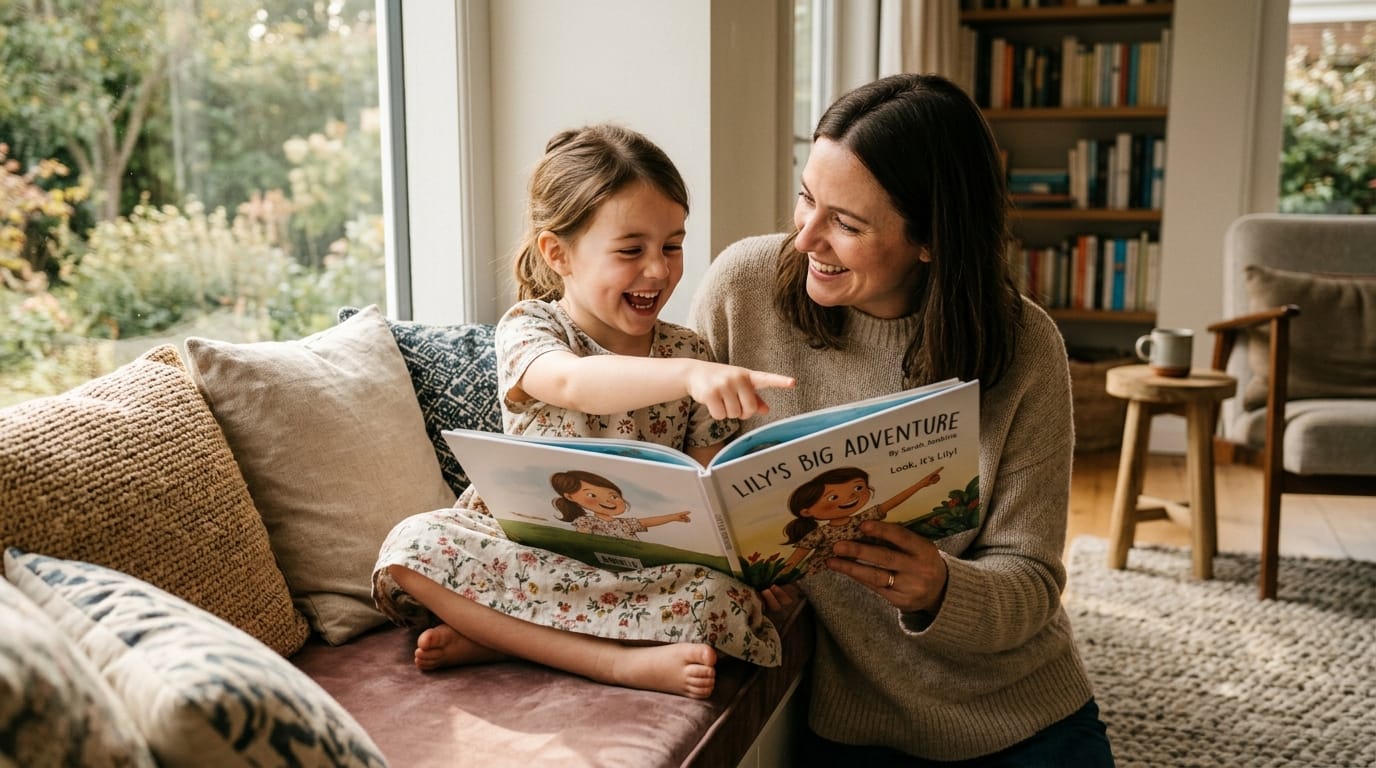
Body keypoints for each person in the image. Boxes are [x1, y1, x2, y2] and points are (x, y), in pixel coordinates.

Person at [689, 73, 1115, 765]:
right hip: (855, 722)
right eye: (806, 199)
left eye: (847, 225)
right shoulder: (744, 290)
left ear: (930, 240)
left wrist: (943, 589)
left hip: (1019, 707)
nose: (806, 240)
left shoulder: (1024, 345)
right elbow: (682, 457)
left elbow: (1033, 579)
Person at [372, 123, 793, 699]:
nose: (659, 270)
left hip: (634, 564)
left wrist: (754, 560)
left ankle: (505, 635)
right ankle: (613, 661)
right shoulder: (532, 328)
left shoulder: (690, 350)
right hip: (523, 548)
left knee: (724, 599)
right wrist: (691, 378)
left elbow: (709, 487)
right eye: (630, 250)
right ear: (558, 253)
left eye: (672, 245)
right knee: (411, 547)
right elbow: (574, 382)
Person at [779, 465, 943, 577]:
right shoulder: (819, 534)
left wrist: (921, 484)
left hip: (865, 568)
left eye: (858, 488)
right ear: (807, 512)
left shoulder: (863, 518)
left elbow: (891, 503)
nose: (852, 496)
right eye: (833, 497)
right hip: (823, 575)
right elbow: (794, 560)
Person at [549, 469, 691, 540]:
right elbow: (585, 542)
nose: (609, 501)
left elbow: (647, 522)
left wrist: (673, 517)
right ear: (570, 497)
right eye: (591, 495)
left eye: (614, 496)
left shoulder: (625, 524)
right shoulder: (586, 522)